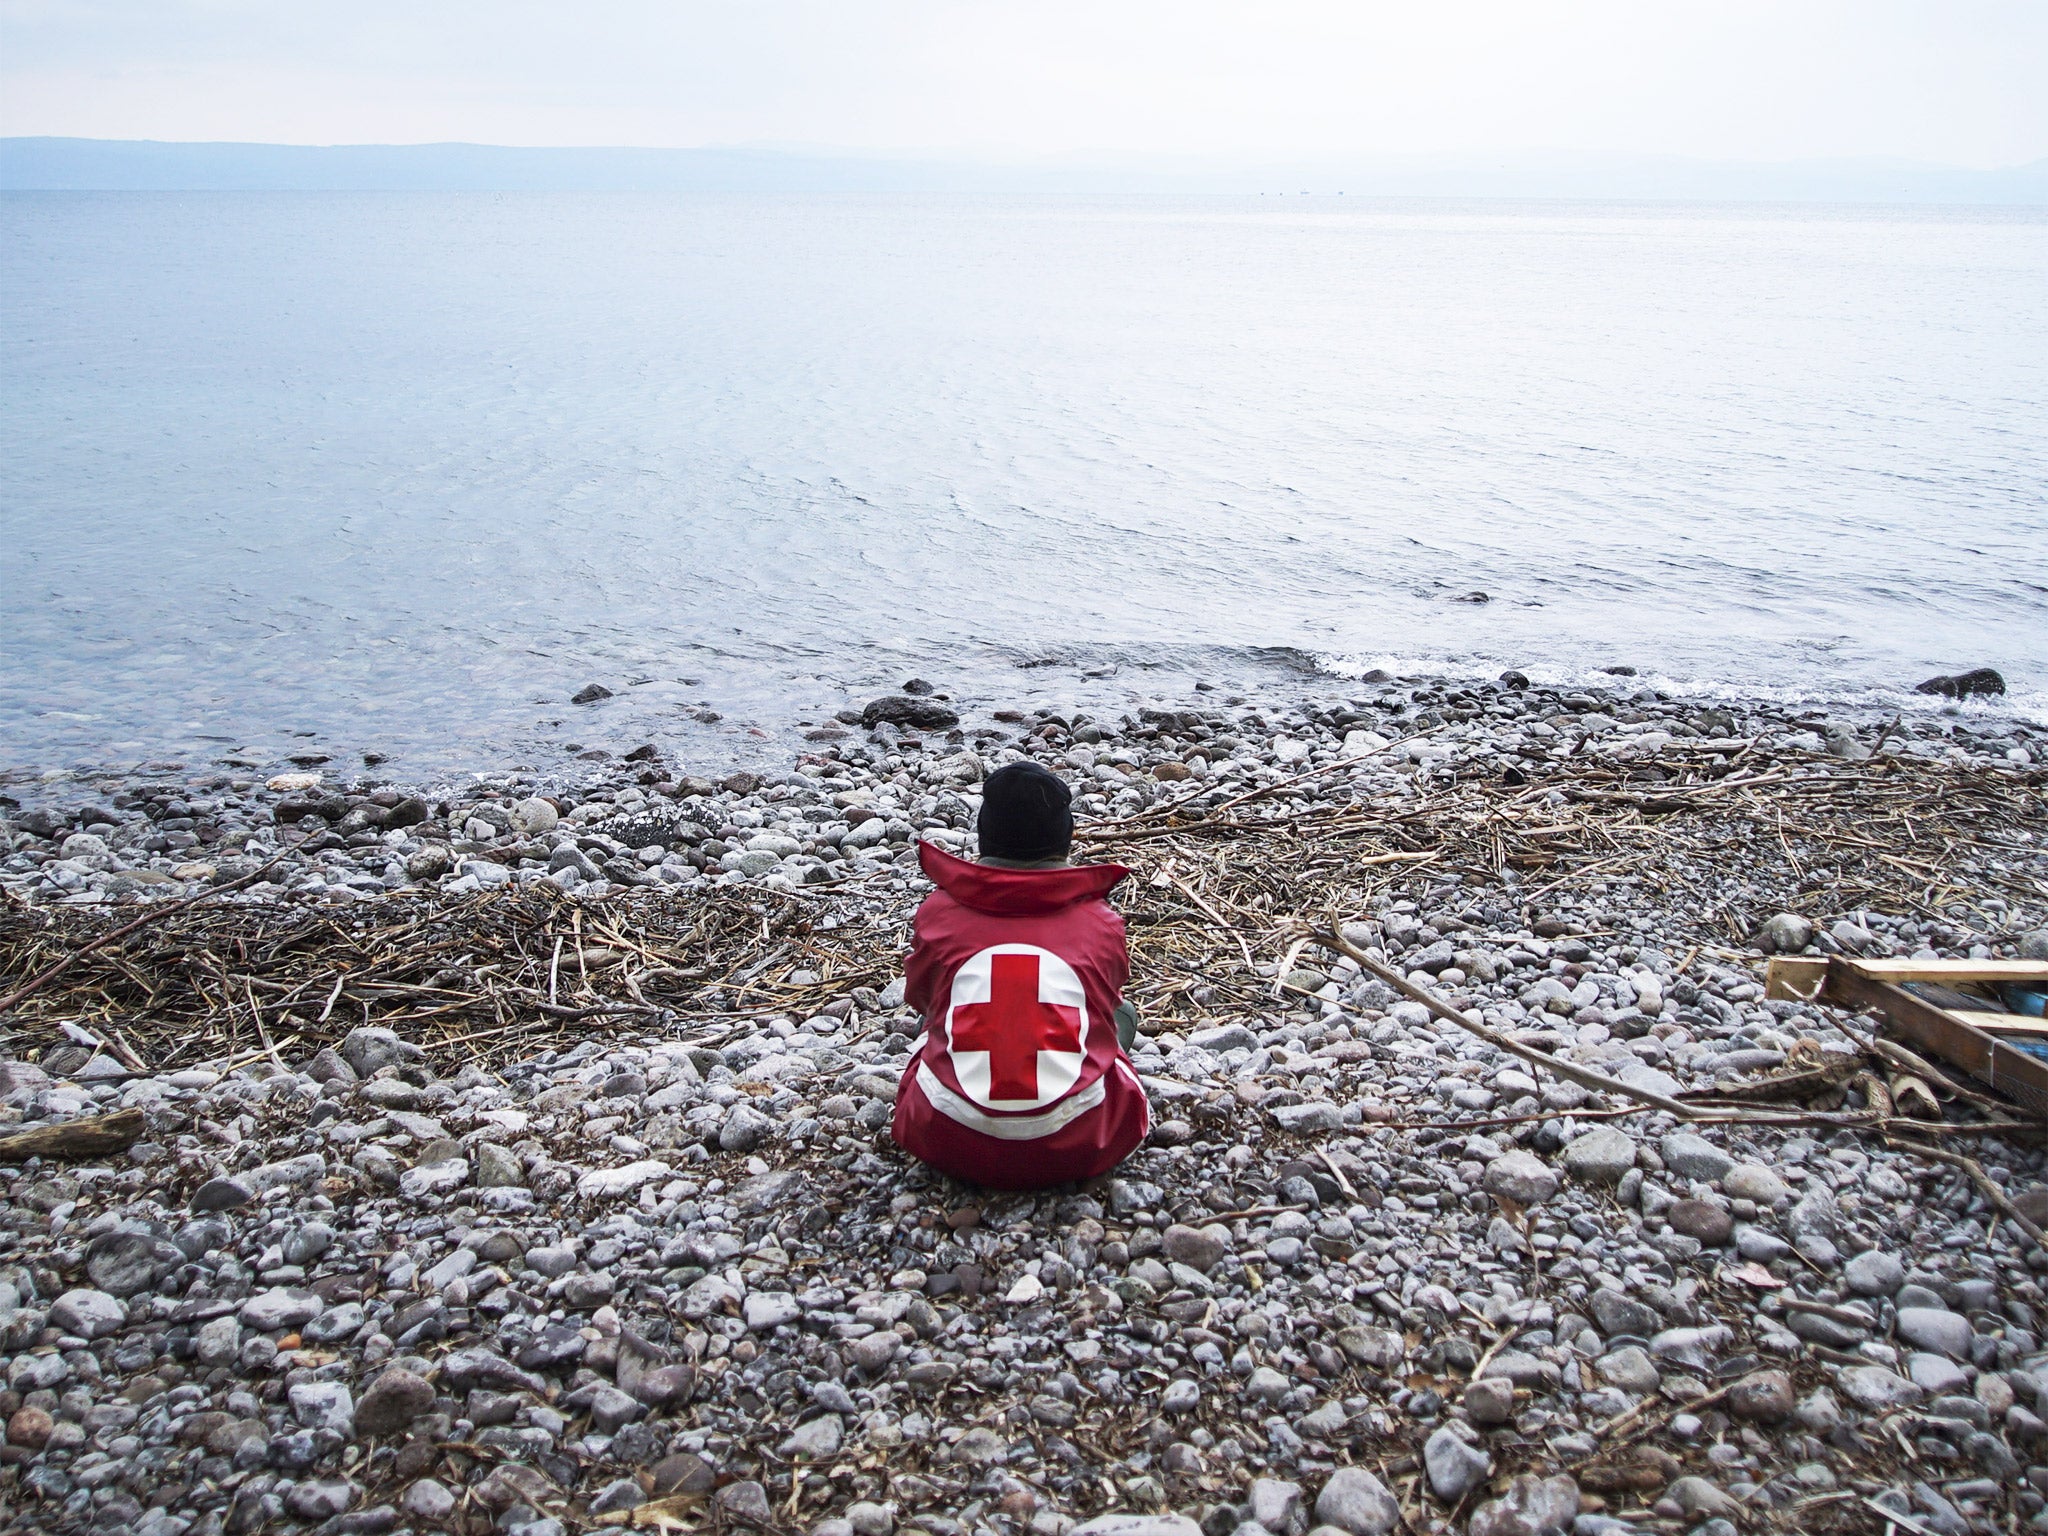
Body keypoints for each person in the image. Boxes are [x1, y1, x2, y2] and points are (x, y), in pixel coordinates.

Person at [890, 761, 1150, 1188]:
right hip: (1082, 1142)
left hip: (947, 1138)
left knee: (935, 1020)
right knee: (1120, 1015)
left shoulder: (938, 914)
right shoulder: (1101, 923)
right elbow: (1104, 1001)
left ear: (983, 836)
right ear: (1065, 841)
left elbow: (921, 999)